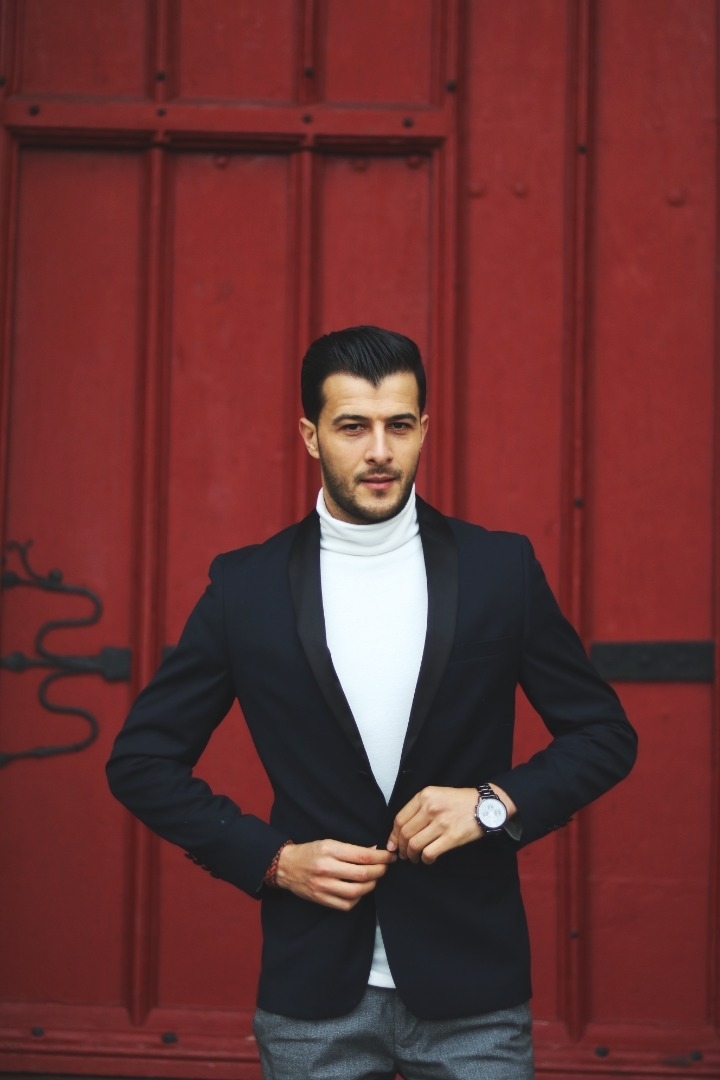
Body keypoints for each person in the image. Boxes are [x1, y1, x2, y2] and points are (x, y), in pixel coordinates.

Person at [107, 325, 637, 1080]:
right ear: (311, 436)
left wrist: (493, 805)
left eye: (399, 425)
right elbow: (142, 761)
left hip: (472, 993)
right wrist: (273, 861)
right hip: (313, 996)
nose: (380, 450)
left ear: (424, 429)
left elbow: (604, 734)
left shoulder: (500, 569)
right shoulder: (244, 589)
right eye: (353, 426)